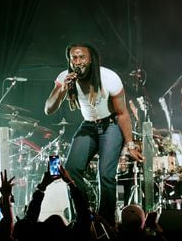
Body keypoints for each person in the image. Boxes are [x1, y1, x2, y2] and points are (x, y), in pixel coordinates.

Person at [44, 42, 143, 227]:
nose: (78, 61)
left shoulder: (109, 78)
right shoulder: (64, 78)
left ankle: (105, 222)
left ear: (91, 60)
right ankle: (82, 215)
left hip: (111, 124)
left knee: (105, 174)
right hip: (88, 125)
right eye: (74, 57)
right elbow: (49, 109)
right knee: (71, 170)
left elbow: (122, 113)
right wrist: (62, 90)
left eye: (82, 57)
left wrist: (130, 144)